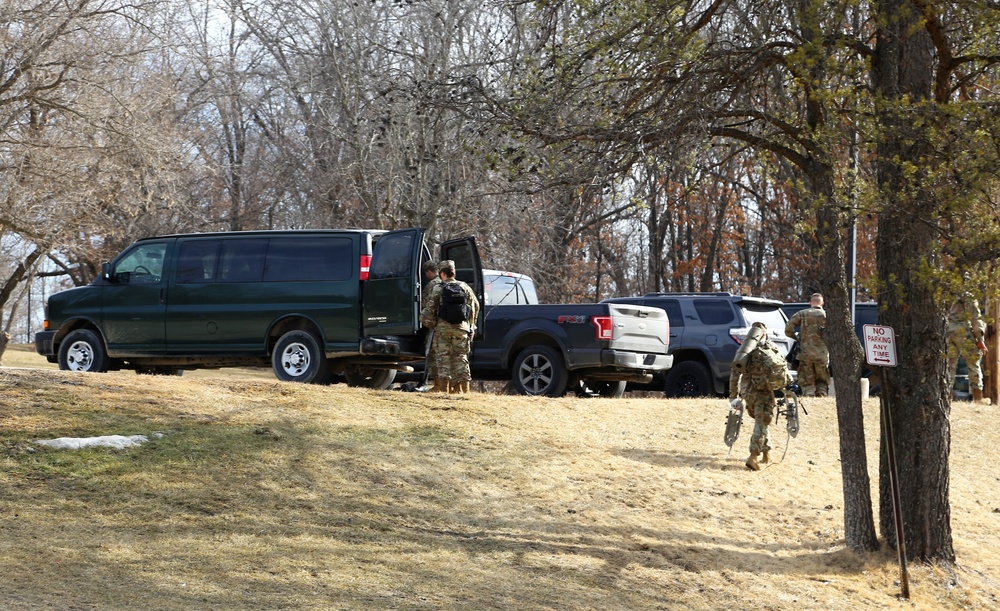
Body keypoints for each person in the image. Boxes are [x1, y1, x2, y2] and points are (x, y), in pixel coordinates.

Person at [730, 322, 792, 471]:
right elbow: (783, 367)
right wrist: (789, 386)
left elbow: (734, 372)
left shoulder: (745, 351)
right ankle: (753, 456)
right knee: (761, 423)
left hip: (748, 393)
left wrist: (733, 396)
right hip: (764, 393)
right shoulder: (771, 348)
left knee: (763, 421)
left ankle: (766, 454)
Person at [420, 260, 480, 394]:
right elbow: (475, 306)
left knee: (443, 359)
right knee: (461, 358)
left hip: (443, 329)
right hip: (462, 329)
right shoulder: (464, 287)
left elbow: (430, 309)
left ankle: (443, 388)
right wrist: (471, 326)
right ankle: (463, 389)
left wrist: (427, 322)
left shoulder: (438, 288)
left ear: (442, 273)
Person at [948, 293, 990, 405]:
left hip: (947, 331)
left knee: (948, 366)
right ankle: (977, 399)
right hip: (963, 332)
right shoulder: (967, 294)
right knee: (973, 364)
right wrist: (980, 339)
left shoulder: (942, 289)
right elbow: (975, 317)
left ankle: (947, 398)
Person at [785, 293, 830, 397]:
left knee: (806, 380)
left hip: (806, 354)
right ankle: (822, 397)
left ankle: (809, 395)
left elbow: (788, 330)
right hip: (822, 354)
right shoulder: (828, 316)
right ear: (822, 303)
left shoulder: (802, 313)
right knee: (822, 380)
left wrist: (798, 339)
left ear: (810, 303)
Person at [419, 260, 442, 390]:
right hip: (446, 325)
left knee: (432, 353)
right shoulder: (445, 283)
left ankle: (437, 384)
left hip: (434, 325)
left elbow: (425, 304)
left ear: (429, 272)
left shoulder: (432, 284)